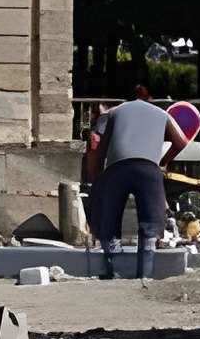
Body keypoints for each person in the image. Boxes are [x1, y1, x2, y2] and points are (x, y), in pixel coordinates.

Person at [81, 81, 189, 280]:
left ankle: (113, 269)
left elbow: (101, 147)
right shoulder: (163, 114)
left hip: (117, 168)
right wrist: (163, 161)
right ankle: (145, 274)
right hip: (149, 169)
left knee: (110, 217)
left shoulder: (115, 112)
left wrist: (98, 176)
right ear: (151, 98)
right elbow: (181, 141)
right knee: (150, 222)